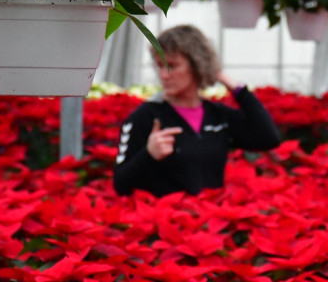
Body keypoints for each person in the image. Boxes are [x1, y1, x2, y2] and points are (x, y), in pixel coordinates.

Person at [113, 25, 280, 197]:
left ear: (196, 65)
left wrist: (236, 88)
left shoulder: (218, 116)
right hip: (166, 213)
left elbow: (268, 138)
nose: (164, 75)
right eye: (160, 66)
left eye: (172, 66)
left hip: (209, 212)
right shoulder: (146, 117)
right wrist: (149, 154)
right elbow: (120, 185)